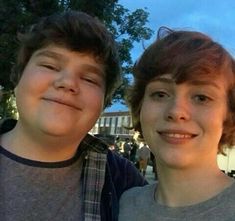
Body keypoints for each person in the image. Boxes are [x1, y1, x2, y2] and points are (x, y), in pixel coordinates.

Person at [0, 11, 147, 221]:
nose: (68, 82)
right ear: (18, 77)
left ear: (103, 103)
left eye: (89, 79)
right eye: (49, 66)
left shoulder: (124, 182)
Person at [119, 27, 235, 220]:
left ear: (228, 114)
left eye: (201, 97)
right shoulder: (125, 205)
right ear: (140, 107)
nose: (176, 112)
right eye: (160, 94)